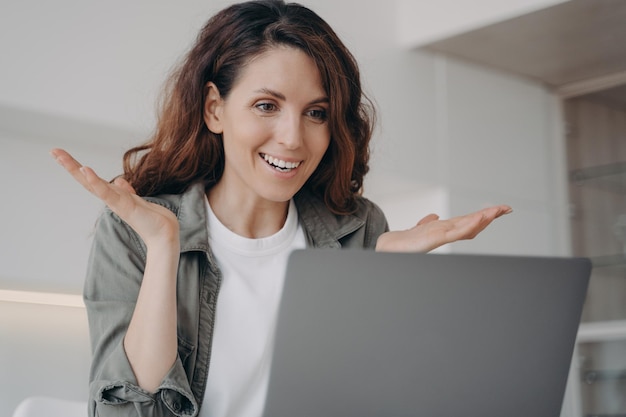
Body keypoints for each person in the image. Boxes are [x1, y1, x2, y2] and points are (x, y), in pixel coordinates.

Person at [51, 1, 512, 416]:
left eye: (316, 112)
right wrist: (163, 246)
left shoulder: (361, 230)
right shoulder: (135, 230)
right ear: (215, 109)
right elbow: (129, 414)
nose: (293, 137)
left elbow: (367, 398)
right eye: (267, 105)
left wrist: (381, 275)